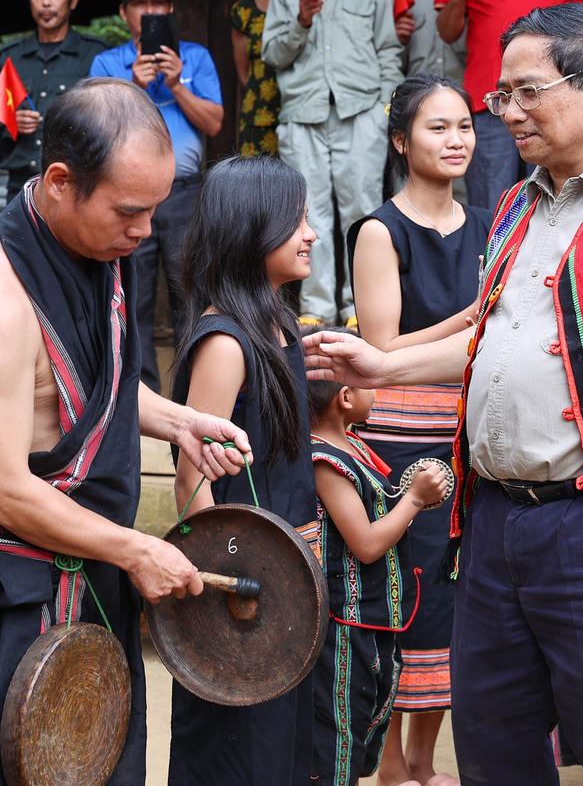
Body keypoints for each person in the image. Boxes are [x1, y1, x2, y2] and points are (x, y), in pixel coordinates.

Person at [304, 2, 583, 784]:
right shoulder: (520, 201)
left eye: (527, 92)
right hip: (492, 525)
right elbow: (491, 338)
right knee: (495, 751)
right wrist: (382, 369)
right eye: (500, 98)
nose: (507, 114)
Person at [0, 77, 251, 786]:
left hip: (92, 582)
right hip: (13, 594)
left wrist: (180, 420)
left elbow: (97, 392)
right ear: (60, 182)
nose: (145, 231)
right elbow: (0, 487)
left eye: (155, 209)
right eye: (129, 211)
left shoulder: (99, 257)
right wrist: (136, 547)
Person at [348, 74, 489, 786]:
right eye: (438, 127)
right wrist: (470, 323)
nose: (456, 138)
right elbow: (382, 349)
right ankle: (394, 766)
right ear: (402, 141)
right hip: (400, 436)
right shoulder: (381, 229)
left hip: (473, 435)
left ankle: (421, 763)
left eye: (464, 125)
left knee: (453, 594)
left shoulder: (492, 223)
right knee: (410, 588)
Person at [166, 155, 319, 785]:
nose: (310, 232)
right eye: (295, 219)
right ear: (250, 229)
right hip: (243, 600)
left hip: (288, 589)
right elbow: (189, 480)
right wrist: (216, 611)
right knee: (237, 759)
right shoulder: (226, 342)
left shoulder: (279, 325)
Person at [305, 349, 448, 786]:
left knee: (362, 719)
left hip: (372, 618)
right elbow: (366, 544)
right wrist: (416, 499)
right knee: (337, 736)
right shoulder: (325, 461)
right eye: (367, 383)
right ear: (345, 398)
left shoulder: (355, 445)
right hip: (344, 623)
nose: (378, 389)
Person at [90, 0, 223, 389]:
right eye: (140, 4)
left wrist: (176, 84)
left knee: (191, 295)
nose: (150, 11)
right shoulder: (107, 63)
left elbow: (215, 123)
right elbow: (93, 128)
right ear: (124, 13)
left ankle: (191, 389)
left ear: (169, 9)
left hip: (186, 193)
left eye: (157, 4)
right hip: (127, 198)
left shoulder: (195, 58)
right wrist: (131, 86)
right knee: (133, 296)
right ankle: (139, 394)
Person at [261, 0, 403, 326]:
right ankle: (318, 308)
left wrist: (385, 109)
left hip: (360, 110)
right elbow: (272, 52)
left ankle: (359, 305)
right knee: (308, 214)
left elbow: (388, 48)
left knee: (362, 209)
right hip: (303, 111)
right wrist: (302, 19)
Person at [435, 0, 583, 212]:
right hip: (491, 99)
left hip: (555, 95)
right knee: (491, 205)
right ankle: (493, 257)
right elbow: (446, 31)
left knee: (560, 199)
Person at [0, 0, 107, 202]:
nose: (46, 2)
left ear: (73, 0)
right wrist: (12, 122)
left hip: (75, 183)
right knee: (16, 241)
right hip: (21, 185)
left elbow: (109, 120)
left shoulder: (94, 55)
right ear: (30, 0)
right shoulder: (11, 56)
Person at [231, 0, 289, 157]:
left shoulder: (306, 1)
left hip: (299, 111)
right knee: (257, 185)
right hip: (258, 115)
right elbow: (244, 74)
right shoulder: (242, 11)